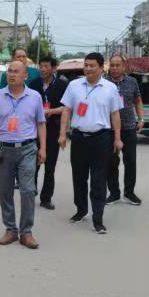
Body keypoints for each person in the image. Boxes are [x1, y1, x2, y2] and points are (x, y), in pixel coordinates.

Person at [0, 61, 47, 249]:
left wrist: (43, 149)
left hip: (28, 149)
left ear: (25, 76)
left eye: (16, 72)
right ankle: (10, 229)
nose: (12, 74)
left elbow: (41, 124)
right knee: (6, 191)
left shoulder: (35, 97)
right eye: (10, 71)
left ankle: (26, 232)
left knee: (27, 190)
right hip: (3, 149)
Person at [59, 52, 123, 234]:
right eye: (86, 65)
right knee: (78, 177)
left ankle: (98, 219)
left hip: (102, 139)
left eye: (92, 65)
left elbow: (115, 115)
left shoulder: (110, 88)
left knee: (98, 179)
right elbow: (66, 111)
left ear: (101, 68)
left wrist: (117, 138)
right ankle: (81, 210)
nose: (87, 68)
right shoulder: (74, 85)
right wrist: (62, 134)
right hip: (79, 138)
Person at [28, 56, 68, 210]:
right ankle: (30, 193)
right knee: (32, 165)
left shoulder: (62, 85)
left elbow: (67, 107)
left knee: (50, 166)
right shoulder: (34, 84)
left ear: (53, 68)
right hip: (34, 128)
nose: (43, 69)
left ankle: (46, 198)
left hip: (53, 128)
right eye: (41, 66)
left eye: (46, 66)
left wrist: (51, 111)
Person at [106, 55, 144, 206]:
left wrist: (141, 119)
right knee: (111, 162)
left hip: (128, 127)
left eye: (117, 65)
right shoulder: (104, 83)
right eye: (112, 65)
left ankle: (129, 193)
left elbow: (138, 101)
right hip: (108, 129)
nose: (114, 68)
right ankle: (114, 193)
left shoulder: (132, 82)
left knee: (130, 161)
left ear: (124, 67)